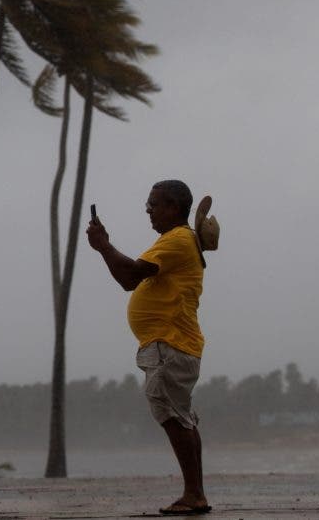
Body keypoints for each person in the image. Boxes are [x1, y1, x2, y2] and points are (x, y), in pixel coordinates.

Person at [86, 180, 209, 516]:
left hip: (168, 343)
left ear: (173, 206)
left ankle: (194, 495)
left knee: (173, 417)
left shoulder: (177, 240)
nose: (148, 211)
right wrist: (106, 249)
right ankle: (195, 493)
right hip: (172, 343)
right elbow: (131, 280)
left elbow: (130, 276)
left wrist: (104, 247)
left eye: (153, 204)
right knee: (182, 418)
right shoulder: (175, 241)